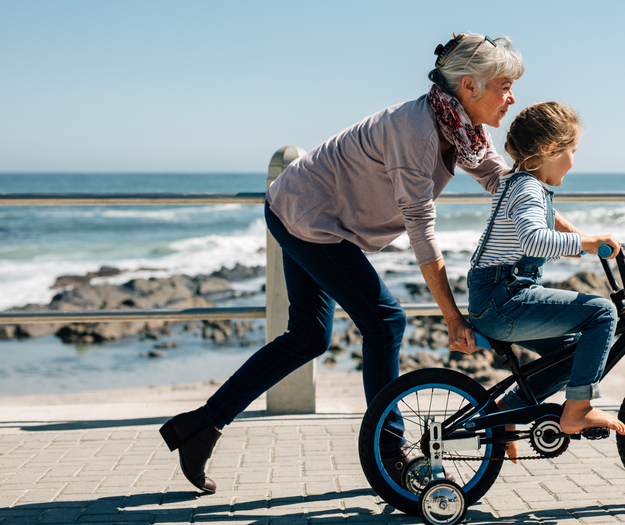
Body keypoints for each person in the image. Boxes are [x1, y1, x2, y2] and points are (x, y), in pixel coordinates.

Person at [158, 32, 527, 493]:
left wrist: (576, 236)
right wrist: (451, 317)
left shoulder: (461, 130)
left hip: (306, 212)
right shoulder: (415, 131)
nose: (512, 98)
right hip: (307, 216)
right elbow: (421, 230)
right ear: (469, 86)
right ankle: (390, 453)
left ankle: (199, 427)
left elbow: (509, 187)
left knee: (308, 337)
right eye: (504, 86)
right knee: (385, 321)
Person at [466, 102, 625, 463]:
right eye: (573, 151)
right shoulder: (527, 189)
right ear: (551, 150)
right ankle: (577, 410)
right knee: (602, 313)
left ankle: (505, 411)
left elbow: (545, 225)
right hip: (504, 297)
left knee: (576, 356)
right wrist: (588, 243)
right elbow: (534, 240)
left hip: (497, 295)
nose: (574, 160)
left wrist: (586, 244)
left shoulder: (518, 183)